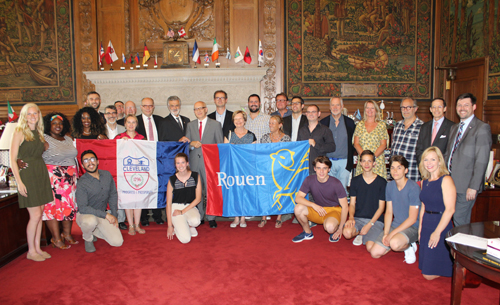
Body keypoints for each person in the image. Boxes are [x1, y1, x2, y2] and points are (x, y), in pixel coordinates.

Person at [10, 103, 53, 261]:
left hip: (40, 172)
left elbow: (42, 148)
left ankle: (38, 248)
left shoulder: (39, 132)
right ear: (24, 115)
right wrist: (19, 182)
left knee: (40, 213)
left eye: (35, 113)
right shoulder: (19, 131)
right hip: (28, 175)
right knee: (34, 215)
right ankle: (31, 251)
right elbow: (13, 159)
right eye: (29, 114)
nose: (32, 116)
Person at [444, 93, 492, 226]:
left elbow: (482, 160)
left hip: (466, 186)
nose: (462, 108)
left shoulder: (481, 128)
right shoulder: (454, 128)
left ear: (474, 107)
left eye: (466, 105)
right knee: (451, 219)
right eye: (459, 105)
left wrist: (474, 186)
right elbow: (449, 154)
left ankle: (462, 247)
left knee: (460, 220)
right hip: (450, 183)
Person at [370, 155, 421, 264]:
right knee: (375, 253)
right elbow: (388, 212)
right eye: (392, 168)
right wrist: (386, 233)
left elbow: (412, 219)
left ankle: (408, 246)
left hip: (413, 227)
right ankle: (400, 242)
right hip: (396, 225)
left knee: (394, 244)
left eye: (399, 168)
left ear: (406, 170)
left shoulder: (413, 188)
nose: (395, 171)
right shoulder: (390, 186)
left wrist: (391, 235)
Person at [41, 112, 78, 249]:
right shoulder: (43, 139)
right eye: (54, 123)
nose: (58, 126)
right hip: (53, 179)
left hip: (70, 179)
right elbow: (34, 155)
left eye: (60, 123)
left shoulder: (68, 139)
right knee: (53, 208)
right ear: (48, 125)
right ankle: (56, 239)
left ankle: (67, 234)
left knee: (68, 207)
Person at [418, 147, 456, 280]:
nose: (429, 163)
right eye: (426, 159)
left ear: (440, 161)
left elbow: (450, 209)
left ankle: (450, 268)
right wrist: (420, 229)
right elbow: (423, 207)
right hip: (427, 222)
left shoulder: (446, 180)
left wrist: (437, 232)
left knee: (427, 275)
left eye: (433, 159)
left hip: (440, 224)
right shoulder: (424, 182)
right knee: (424, 268)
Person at [76, 150, 123, 253]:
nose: (90, 163)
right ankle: (88, 238)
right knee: (90, 221)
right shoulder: (82, 183)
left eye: (92, 159)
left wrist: (114, 215)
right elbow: (83, 207)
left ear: (97, 162)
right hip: (85, 214)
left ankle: (95, 230)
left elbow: (113, 195)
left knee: (117, 242)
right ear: (83, 165)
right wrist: (106, 216)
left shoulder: (107, 175)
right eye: (86, 161)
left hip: (102, 213)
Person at [292, 156, 348, 243]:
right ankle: (307, 232)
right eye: (318, 168)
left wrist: (340, 228)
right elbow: (298, 198)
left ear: (329, 169)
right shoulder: (309, 180)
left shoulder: (336, 183)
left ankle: (334, 225)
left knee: (330, 227)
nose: (321, 171)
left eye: (324, 168)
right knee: (298, 208)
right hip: (318, 209)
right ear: (314, 169)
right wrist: (313, 205)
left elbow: (345, 207)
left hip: (333, 210)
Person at [185, 101, 224, 228]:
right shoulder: (190, 125)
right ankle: (200, 216)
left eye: (201, 108)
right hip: (194, 162)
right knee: (197, 191)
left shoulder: (216, 124)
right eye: (196, 109)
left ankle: (211, 217)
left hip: (210, 163)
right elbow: (186, 144)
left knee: (210, 190)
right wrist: (191, 144)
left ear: (206, 109)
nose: (199, 111)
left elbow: (219, 145)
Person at [342, 150, 386, 251]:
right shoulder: (355, 181)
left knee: (370, 247)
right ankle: (360, 233)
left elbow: (381, 208)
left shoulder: (382, 182)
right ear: (360, 163)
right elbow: (352, 204)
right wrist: (351, 217)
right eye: (364, 161)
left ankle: (367, 232)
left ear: (374, 163)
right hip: (358, 218)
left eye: (369, 161)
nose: (366, 164)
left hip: (375, 220)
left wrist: (370, 224)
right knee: (347, 233)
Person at [224, 110, 257, 228]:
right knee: (234, 192)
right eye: (235, 119)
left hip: (247, 169)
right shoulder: (228, 135)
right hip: (232, 168)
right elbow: (225, 153)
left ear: (244, 120)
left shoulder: (251, 135)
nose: (238, 121)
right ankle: (236, 217)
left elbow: (254, 154)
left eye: (240, 119)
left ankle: (243, 217)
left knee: (245, 192)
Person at [136, 97, 165, 226]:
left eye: (150, 106)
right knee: (142, 188)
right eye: (145, 106)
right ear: (141, 107)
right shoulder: (135, 121)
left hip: (158, 159)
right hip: (141, 160)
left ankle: (158, 215)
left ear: (153, 107)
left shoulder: (160, 121)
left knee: (157, 187)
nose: (148, 108)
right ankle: (144, 217)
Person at [115, 115, 147, 235]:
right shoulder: (119, 137)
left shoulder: (142, 138)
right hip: (125, 173)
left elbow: (146, 154)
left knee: (138, 199)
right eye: (129, 122)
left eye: (133, 122)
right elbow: (113, 153)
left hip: (139, 172)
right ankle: (131, 225)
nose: (131, 125)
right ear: (125, 124)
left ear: (137, 124)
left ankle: (137, 224)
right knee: (128, 199)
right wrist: (121, 144)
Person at [260, 115, 291, 228]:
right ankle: (264, 217)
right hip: (267, 170)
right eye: (270, 123)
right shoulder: (264, 138)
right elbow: (261, 154)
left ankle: (279, 217)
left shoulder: (286, 138)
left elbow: (288, 156)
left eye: (273, 123)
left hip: (281, 171)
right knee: (265, 193)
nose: (271, 125)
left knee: (280, 192)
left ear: (280, 125)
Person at [320, 97, 355, 190]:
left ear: (342, 106)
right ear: (330, 107)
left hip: (344, 162)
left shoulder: (350, 123)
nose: (335, 107)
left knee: (342, 191)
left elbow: (354, 142)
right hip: (327, 163)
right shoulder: (323, 123)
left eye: (337, 105)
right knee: (327, 190)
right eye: (333, 105)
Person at [166, 153, 202, 244]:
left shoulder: (195, 176)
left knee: (196, 221)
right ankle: (179, 225)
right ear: (175, 165)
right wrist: (170, 226)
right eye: (178, 163)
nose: (180, 165)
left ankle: (189, 226)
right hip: (175, 208)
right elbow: (169, 204)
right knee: (185, 240)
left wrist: (182, 211)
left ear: (187, 163)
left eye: (182, 162)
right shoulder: (172, 180)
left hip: (190, 206)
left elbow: (198, 199)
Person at [353, 100, 389, 179]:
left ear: (376, 110)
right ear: (365, 110)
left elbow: (383, 145)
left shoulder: (381, 125)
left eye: (372, 108)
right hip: (363, 163)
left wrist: (372, 159)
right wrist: (365, 159)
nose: (369, 110)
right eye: (367, 108)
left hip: (377, 162)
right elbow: (356, 143)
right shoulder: (360, 125)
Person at [391, 97, 423, 181]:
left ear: (415, 109)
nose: (405, 110)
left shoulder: (422, 127)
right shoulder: (397, 126)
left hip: (412, 173)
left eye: (408, 107)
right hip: (396, 174)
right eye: (403, 107)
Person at [297, 105, 335, 174]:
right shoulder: (302, 130)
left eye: (313, 112)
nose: (311, 114)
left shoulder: (325, 130)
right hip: (304, 168)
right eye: (308, 112)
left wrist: (316, 145)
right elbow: (298, 147)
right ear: (306, 114)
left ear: (319, 114)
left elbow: (332, 147)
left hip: (319, 169)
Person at [415, 98, 454, 163]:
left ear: (445, 109)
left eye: (439, 107)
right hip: (426, 167)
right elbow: (419, 149)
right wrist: (424, 163)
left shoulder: (452, 127)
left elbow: (451, 151)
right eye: (434, 107)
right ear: (430, 109)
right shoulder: (424, 126)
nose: (436, 109)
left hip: (442, 168)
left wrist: (439, 165)